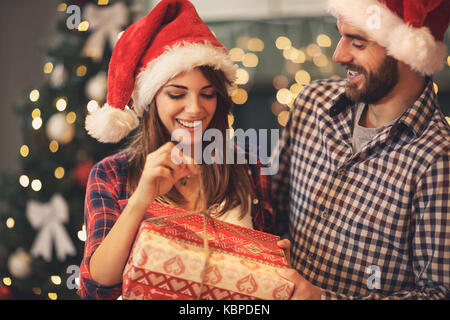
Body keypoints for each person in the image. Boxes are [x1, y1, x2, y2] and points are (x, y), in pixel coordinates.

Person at [77, 0, 275, 300]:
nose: (195, 109)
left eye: (207, 94)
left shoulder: (249, 166)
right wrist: (142, 197)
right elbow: (99, 284)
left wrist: (272, 260)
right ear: (151, 98)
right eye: (176, 94)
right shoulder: (111, 174)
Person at [274, 0, 450, 299]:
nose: (339, 55)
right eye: (341, 36)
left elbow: (437, 294)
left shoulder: (438, 161)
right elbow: (272, 204)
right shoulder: (312, 103)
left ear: (406, 52)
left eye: (357, 42)